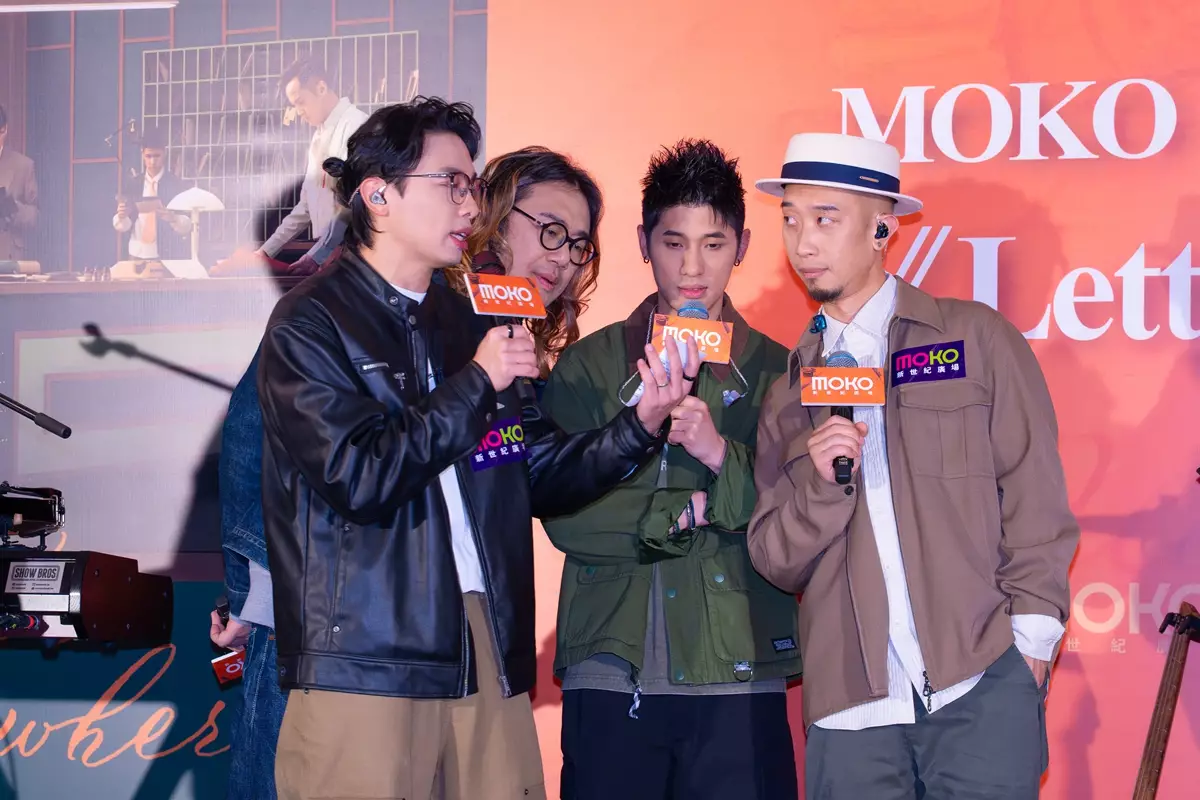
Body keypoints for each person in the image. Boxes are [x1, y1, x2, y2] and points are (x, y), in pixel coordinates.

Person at [257, 97, 695, 800]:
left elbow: (536, 471)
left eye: (472, 185)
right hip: (369, 653)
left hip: (484, 637)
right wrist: (475, 383)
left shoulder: (469, 325)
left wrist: (641, 423)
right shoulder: (312, 322)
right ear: (379, 195)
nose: (470, 204)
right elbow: (358, 475)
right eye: (451, 183)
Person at [747, 132, 1080, 799]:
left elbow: (1033, 492)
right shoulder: (787, 391)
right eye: (790, 220)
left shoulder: (973, 338)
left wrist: (1031, 644)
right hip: (850, 710)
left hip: (980, 680)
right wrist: (821, 486)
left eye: (825, 219)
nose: (803, 243)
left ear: (882, 228)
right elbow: (773, 558)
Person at [542, 139, 802, 800]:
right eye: (673, 242)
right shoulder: (589, 366)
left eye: (713, 244)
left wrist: (722, 458)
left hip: (739, 668)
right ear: (643, 242)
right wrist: (694, 510)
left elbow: (798, 515)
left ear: (742, 246)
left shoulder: (779, 373)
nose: (692, 267)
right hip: (611, 665)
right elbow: (566, 512)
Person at [444, 145, 603, 385]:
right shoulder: (431, 324)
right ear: (495, 215)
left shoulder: (529, 359)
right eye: (551, 232)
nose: (563, 258)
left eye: (578, 246)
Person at [216, 56, 366, 273]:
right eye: (294, 105)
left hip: (354, 251)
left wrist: (318, 255)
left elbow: (352, 200)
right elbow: (305, 205)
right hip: (329, 253)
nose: (298, 111)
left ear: (321, 88)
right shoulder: (318, 136)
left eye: (301, 102)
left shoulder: (356, 126)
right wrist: (266, 251)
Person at [113, 126, 192, 261]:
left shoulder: (176, 185)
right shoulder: (133, 184)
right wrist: (122, 216)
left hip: (166, 254)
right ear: (142, 154)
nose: (153, 161)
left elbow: (188, 226)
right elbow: (124, 227)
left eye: (157, 156)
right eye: (148, 156)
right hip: (136, 252)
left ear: (164, 153)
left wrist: (173, 218)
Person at [0, 104, 38, 262]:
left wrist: (12, 208)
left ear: (4, 130)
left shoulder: (23, 165)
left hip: (7, 258)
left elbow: (35, 216)